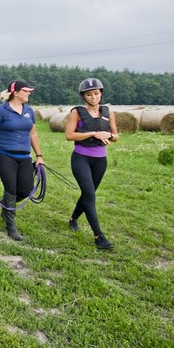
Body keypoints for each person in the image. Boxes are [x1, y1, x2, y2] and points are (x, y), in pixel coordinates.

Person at [0, 80, 45, 241]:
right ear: (15, 92)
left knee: (26, 189)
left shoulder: (29, 111)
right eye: (26, 91)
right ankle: (10, 225)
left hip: (24, 156)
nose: (29, 93)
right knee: (11, 188)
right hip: (4, 154)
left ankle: (6, 204)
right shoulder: (2, 111)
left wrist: (39, 155)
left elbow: (33, 134)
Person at [65, 78, 118, 250]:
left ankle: (73, 219)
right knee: (90, 195)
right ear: (84, 96)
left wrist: (108, 135)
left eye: (96, 93)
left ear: (101, 93)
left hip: (100, 160)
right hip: (81, 158)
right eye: (89, 94)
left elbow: (116, 136)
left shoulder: (108, 112)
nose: (94, 97)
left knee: (88, 194)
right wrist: (93, 134)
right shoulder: (77, 112)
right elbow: (70, 135)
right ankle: (98, 236)